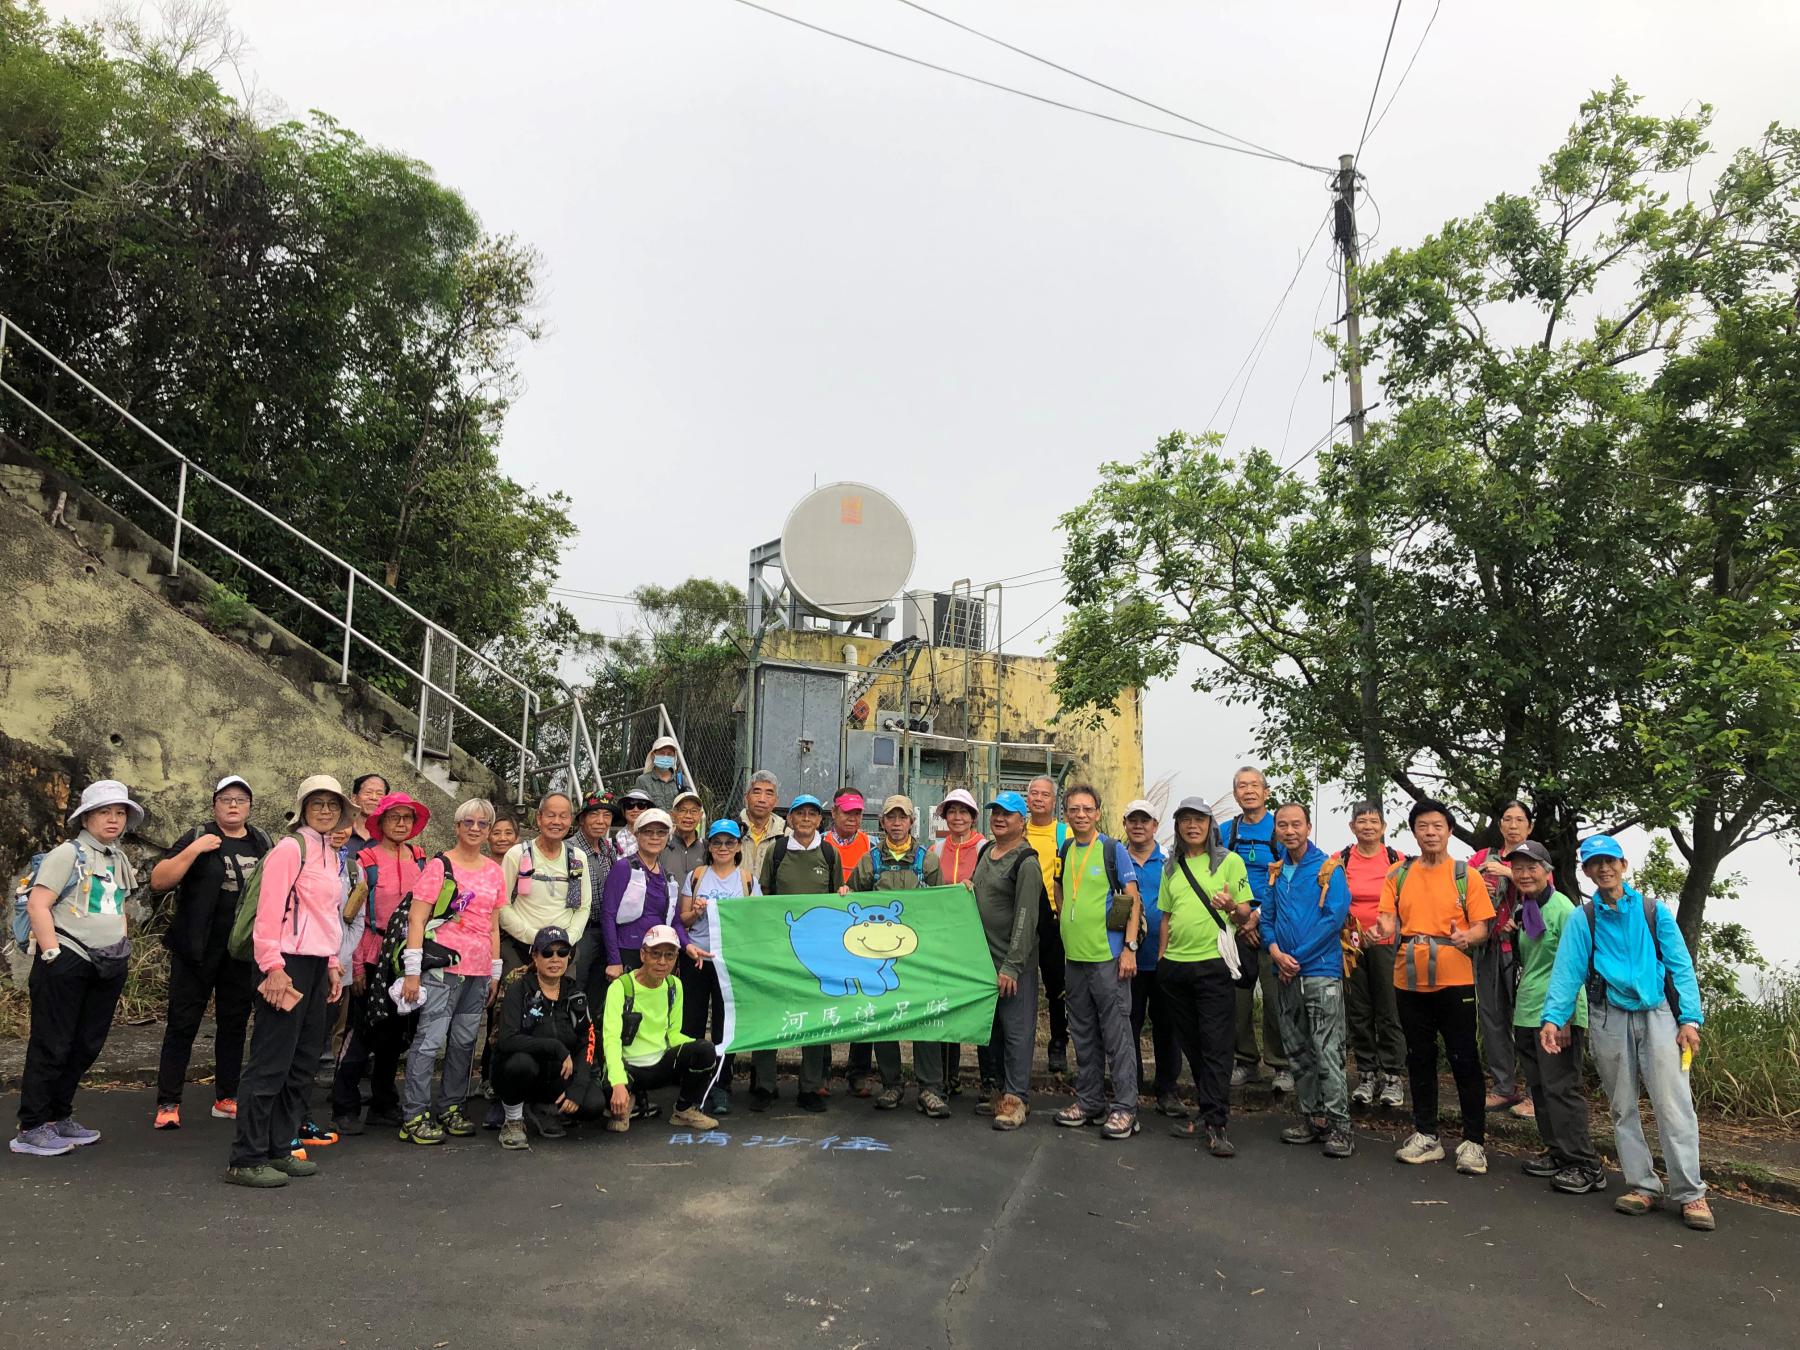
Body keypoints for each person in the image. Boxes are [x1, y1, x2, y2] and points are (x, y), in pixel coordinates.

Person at [1543, 835, 1712, 1231]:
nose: (1604, 868)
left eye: (1610, 861)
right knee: (1622, 1106)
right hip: (1609, 1016)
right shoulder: (1584, 919)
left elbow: (1680, 966)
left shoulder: (1654, 911)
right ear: (1587, 871)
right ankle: (1642, 1186)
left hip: (1658, 1014)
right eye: (1595, 863)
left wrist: (1689, 1019)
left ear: (1623, 865)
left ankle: (1691, 1192)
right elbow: (1567, 971)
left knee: (1674, 1104)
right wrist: (1553, 1018)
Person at [223, 775, 350, 1187]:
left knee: (302, 1061)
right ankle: (246, 1157)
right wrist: (272, 967)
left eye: (333, 804)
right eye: (318, 803)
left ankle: (280, 1147)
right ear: (303, 808)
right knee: (270, 1061)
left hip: (315, 964)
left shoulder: (331, 852)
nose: (326, 811)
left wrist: (332, 962)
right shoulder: (290, 849)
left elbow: (326, 915)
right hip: (285, 962)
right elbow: (267, 912)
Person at [12, 780, 142, 1159]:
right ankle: (32, 1126)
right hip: (67, 957)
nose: (113, 819)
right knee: (52, 1043)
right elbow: (38, 904)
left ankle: (59, 1115)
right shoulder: (67, 854)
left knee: (87, 1043)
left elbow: (117, 906)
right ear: (86, 818)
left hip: (108, 961)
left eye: (120, 813)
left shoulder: (116, 857)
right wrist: (52, 953)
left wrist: (122, 948)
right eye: (104, 812)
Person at [1378, 798, 1495, 1175]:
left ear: (1449, 831)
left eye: (1437, 826)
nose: (1430, 832)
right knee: (1419, 1056)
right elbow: (1387, 920)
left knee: (1464, 1057)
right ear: (1414, 832)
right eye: (1423, 826)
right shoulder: (1398, 873)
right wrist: (1380, 929)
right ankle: (1426, 1135)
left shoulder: (1466, 875)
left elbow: (1482, 926)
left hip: (1455, 978)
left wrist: (1468, 936)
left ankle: (1474, 1142)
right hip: (1408, 977)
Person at [151, 775, 270, 1131]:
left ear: (250, 806)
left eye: (241, 799)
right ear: (214, 804)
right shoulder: (198, 835)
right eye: (226, 799)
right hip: (196, 948)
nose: (233, 805)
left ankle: (226, 1097)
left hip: (240, 950)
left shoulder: (261, 841)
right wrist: (195, 850)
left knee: (234, 1024)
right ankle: (168, 1101)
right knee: (182, 1023)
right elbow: (159, 880)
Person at [397, 799, 508, 1146]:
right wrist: (412, 972)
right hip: (442, 969)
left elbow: (493, 925)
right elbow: (417, 919)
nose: (475, 829)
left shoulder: (494, 871)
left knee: (463, 1043)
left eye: (483, 824)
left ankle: (451, 1107)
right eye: (468, 822)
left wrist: (494, 972)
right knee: (429, 1042)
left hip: (478, 972)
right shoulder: (439, 866)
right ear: (457, 826)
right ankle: (414, 1115)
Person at [1505, 840, 1604, 1195]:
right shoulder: (1527, 908)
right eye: (1518, 868)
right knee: (1541, 1090)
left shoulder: (1564, 909)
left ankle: (1586, 1164)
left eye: (1531, 867)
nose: (1524, 874)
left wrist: (1564, 1018)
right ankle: (1558, 1153)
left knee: (1561, 1090)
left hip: (1557, 1016)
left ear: (1547, 871)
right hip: (1528, 1011)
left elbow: (1579, 965)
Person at [329, 791, 430, 1137]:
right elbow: (353, 916)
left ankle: (383, 1103)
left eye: (407, 818)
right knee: (363, 1032)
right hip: (372, 954)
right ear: (380, 822)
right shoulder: (365, 861)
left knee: (396, 1033)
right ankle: (344, 1105)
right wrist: (356, 965)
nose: (401, 824)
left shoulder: (420, 859)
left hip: (407, 957)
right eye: (394, 817)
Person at [1157, 797, 1252, 1159]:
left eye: (1199, 819)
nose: (1192, 826)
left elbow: (1245, 914)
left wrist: (1231, 907)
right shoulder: (1171, 867)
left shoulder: (1229, 861)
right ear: (1178, 826)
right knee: (1193, 1044)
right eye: (1186, 820)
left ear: (1211, 825)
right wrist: (1162, 957)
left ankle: (1216, 1123)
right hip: (1175, 967)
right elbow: (1166, 916)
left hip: (1213, 965)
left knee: (1216, 1046)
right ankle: (1206, 1110)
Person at [1265, 802, 1355, 1159]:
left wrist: (1295, 958)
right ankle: (1312, 1118)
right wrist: (1275, 952)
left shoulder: (1328, 868)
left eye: (1296, 824)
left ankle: (1340, 1126)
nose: (1289, 831)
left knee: (1327, 1051)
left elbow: (1333, 918)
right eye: (1282, 825)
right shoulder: (1276, 871)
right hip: (1285, 972)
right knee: (1297, 1050)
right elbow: (1267, 917)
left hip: (1320, 972)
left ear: (1308, 827)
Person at [1052, 784, 1142, 1140]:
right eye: (1074, 809)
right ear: (1066, 814)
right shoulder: (1065, 848)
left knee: (1117, 1035)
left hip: (1108, 956)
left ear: (1098, 813)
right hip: (1074, 957)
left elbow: (1132, 899)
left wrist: (1129, 948)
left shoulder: (1112, 849)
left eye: (1087, 809)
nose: (1081, 815)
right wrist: (1065, 920)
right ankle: (1090, 1101)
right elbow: (1060, 886)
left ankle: (1126, 1108)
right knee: (1083, 1033)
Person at [845, 795, 946, 1115]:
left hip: (919, 956)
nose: (897, 823)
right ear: (883, 822)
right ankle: (892, 1084)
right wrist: (846, 893)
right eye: (891, 817)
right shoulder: (870, 861)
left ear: (911, 822)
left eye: (903, 817)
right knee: (884, 1017)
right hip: (879, 959)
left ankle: (930, 1088)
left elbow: (942, 907)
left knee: (925, 1017)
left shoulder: (927, 862)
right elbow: (852, 903)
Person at [753, 794, 843, 1111]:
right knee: (770, 1013)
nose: (805, 819)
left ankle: (810, 1087)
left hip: (817, 953)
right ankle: (765, 1085)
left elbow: (837, 899)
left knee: (814, 1017)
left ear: (820, 820)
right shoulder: (776, 852)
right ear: (790, 819)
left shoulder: (829, 854)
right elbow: (763, 896)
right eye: (799, 813)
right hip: (779, 949)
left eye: (812, 814)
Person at [1320, 801, 1407, 1109]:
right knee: (1358, 1010)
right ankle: (1367, 1074)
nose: (1368, 826)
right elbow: (1328, 897)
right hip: (1351, 945)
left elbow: (1407, 901)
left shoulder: (1397, 860)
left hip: (1388, 943)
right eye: (1362, 821)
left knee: (1389, 1009)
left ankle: (1393, 1075)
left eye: (1374, 821)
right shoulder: (1339, 860)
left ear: (1383, 827)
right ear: (1352, 826)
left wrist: (1389, 928)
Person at [490, 926, 607, 1149]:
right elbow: (507, 1039)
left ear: (569, 957)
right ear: (535, 956)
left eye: (562, 953)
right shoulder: (518, 989)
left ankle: (545, 1108)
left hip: (558, 1074)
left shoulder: (575, 994)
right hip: (520, 1070)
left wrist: (578, 1087)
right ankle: (513, 1119)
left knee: (593, 1104)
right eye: (547, 953)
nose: (555, 959)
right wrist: (555, 1047)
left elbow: (588, 1042)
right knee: (521, 1063)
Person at [600, 925, 720, 1133]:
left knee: (706, 1050)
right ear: (643, 954)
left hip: (661, 1063)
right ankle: (628, 1098)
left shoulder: (674, 986)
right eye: (656, 954)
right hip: (628, 1068)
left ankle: (684, 1111)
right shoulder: (621, 987)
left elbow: (673, 1033)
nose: (662, 962)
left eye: (669, 955)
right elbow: (611, 1039)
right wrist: (618, 1083)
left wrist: (701, 1050)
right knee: (616, 1123)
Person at [679, 819, 759, 1117]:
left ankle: (721, 1085)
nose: (723, 847)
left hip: (730, 962)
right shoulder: (696, 876)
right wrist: (695, 912)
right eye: (717, 842)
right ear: (709, 846)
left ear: (738, 847)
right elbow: (682, 921)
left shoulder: (747, 880)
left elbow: (755, 923)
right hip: (697, 958)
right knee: (692, 1024)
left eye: (729, 842)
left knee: (726, 1027)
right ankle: (693, 1083)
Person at [970, 793, 1040, 1131]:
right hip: (983, 961)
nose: (999, 818)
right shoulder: (987, 851)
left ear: (1021, 821)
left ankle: (1016, 1099)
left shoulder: (1026, 862)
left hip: (1012, 963)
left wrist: (1012, 965)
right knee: (994, 1030)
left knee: (1017, 1031)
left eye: (1007, 814)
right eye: (995, 812)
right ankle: (1000, 1091)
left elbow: (1026, 917)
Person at [1217, 766, 1289, 1092]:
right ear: (1235, 794)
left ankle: (1282, 1064)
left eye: (1254, 785)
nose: (1248, 791)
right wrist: (1239, 918)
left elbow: (1289, 878)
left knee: (1275, 999)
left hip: (1272, 923)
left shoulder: (1280, 829)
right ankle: (1245, 1061)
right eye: (1242, 786)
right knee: (1237, 999)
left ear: (1266, 792)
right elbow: (1214, 876)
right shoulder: (1225, 832)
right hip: (1235, 922)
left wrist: (1256, 917)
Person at [1121, 798, 1185, 1118]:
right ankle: (1130, 1089)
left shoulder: (1172, 862)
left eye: (1145, 820)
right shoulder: (1116, 860)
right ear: (1125, 824)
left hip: (1165, 957)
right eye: (1133, 820)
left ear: (1156, 826)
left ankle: (1168, 1090)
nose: (1138, 826)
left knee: (1167, 1027)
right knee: (1128, 1026)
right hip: (1128, 959)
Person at [1470, 799, 1534, 1114]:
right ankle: (1504, 1088)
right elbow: (1460, 889)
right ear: (1499, 825)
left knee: (1529, 1020)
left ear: (1529, 827)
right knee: (1493, 1019)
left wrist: (1508, 872)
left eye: (1519, 820)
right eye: (1507, 819)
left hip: (1526, 950)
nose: (1512, 825)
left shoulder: (1535, 857)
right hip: (1489, 947)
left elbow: (1545, 890)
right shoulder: (1482, 858)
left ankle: (1537, 1093)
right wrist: (1476, 884)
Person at [601, 808, 698, 986]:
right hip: (628, 951)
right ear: (637, 835)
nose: (655, 837)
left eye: (661, 832)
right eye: (648, 832)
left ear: (668, 837)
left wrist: (687, 945)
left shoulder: (667, 876)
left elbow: (675, 921)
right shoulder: (624, 868)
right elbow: (608, 914)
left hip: (657, 953)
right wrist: (614, 960)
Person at [931, 788, 984, 1097]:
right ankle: (947, 1078)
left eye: (963, 812)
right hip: (943, 940)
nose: (957, 817)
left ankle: (989, 1082)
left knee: (976, 1005)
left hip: (975, 938)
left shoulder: (985, 848)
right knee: (945, 1006)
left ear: (973, 817)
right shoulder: (936, 849)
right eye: (952, 811)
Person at [828, 788, 876, 1094]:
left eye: (857, 813)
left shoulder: (870, 845)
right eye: (847, 812)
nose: (853, 818)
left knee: (864, 1001)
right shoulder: (820, 843)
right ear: (834, 812)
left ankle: (858, 1071)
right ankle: (820, 1072)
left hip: (861, 938)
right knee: (825, 998)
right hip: (829, 935)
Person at [1023, 775, 1070, 1076]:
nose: (1039, 799)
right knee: (1020, 987)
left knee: (1057, 988)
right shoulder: (1017, 831)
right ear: (1027, 799)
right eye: (1034, 794)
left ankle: (1058, 1045)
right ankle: (1021, 1047)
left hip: (1054, 920)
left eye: (1045, 794)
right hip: (1024, 920)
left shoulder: (1064, 834)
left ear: (1054, 801)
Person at [737, 770, 786, 879]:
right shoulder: (731, 830)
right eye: (757, 792)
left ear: (776, 801)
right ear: (746, 797)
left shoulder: (786, 835)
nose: (762, 799)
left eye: (769, 794)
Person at [633, 735, 691, 812]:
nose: (665, 757)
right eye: (662, 753)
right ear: (653, 755)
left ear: (674, 757)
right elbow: (638, 809)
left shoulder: (681, 780)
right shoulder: (643, 781)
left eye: (669, 754)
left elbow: (691, 805)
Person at [664, 790, 709, 885]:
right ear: (672, 815)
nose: (688, 816)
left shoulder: (707, 847)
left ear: (700, 816)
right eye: (682, 810)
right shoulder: (662, 844)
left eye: (694, 811)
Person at [616, 789, 654, 858]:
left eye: (641, 806)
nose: (635, 810)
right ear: (624, 810)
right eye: (630, 805)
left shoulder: (658, 835)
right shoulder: (616, 838)